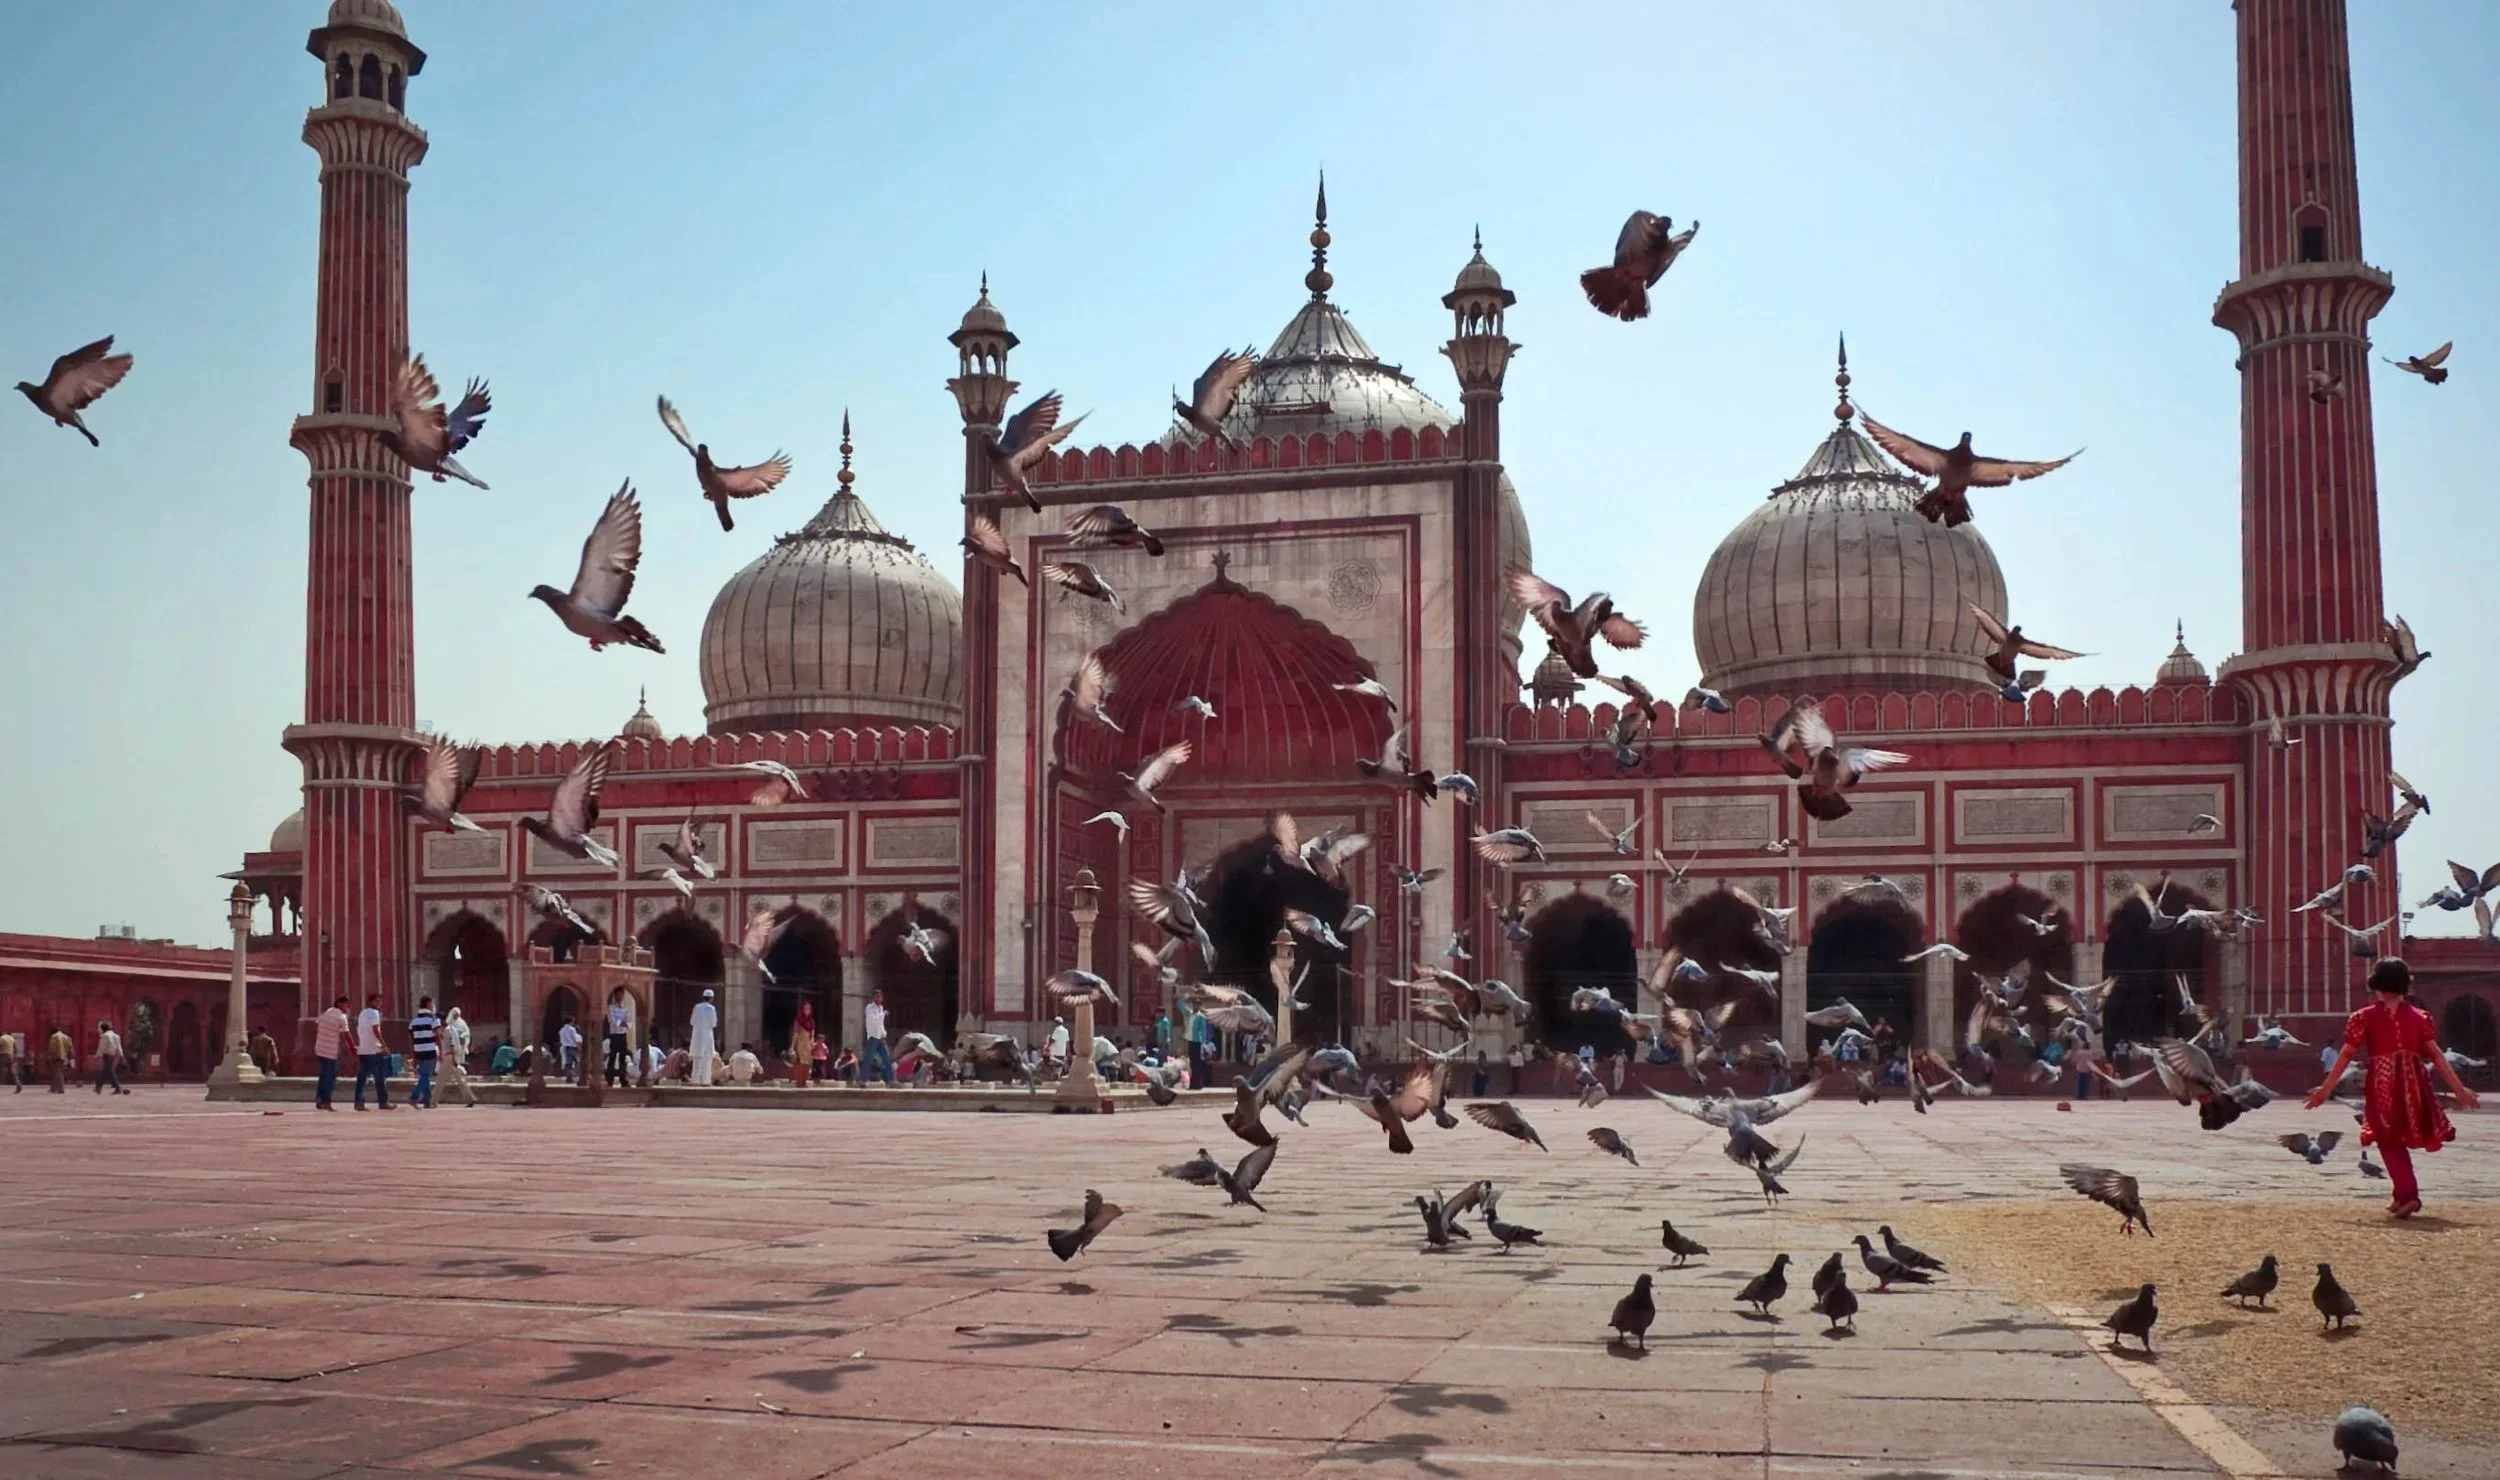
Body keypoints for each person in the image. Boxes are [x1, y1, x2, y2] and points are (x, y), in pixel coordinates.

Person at [2307, 957, 2481, 1218]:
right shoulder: (2420, 1017)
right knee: (2394, 1137)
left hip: (2384, 1082)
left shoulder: (2365, 1017)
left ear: (2376, 983)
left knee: (2387, 1137)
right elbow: (2436, 1056)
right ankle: (2401, 1195)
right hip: (2414, 1083)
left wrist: (2325, 1088)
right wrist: (2459, 1090)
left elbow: (2345, 1055)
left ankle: (2408, 1194)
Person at [353, 993, 392, 1110]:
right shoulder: (374, 1013)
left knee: (362, 1078)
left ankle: (359, 1102)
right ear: (371, 1002)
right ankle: (383, 1102)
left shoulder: (362, 1013)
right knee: (379, 1077)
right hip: (373, 1050)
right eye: (377, 1001)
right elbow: (376, 1030)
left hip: (363, 1049)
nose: (379, 1003)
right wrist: (384, 1045)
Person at [313, 995, 350, 1110]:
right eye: (346, 1005)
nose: (347, 1008)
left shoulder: (328, 1012)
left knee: (323, 1075)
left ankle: (319, 1099)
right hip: (330, 1050)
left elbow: (318, 1022)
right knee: (330, 1076)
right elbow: (347, 1035)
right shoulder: (341, 1017)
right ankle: (326, 1101)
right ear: (339, 1003)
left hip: (320, 1048)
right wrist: (353, 1048)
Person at [440, 1006, 479, 1106]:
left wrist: (463, 1038)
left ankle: (432, 1100)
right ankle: (470, 1098)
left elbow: (465, 1034)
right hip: (451, 1054)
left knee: (442, 1080)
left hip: (453, 1054)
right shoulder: (450, 1025)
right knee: (457, 1078)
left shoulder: (459, 1025)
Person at [406, 995, 440, 1109]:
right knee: (426, 1076)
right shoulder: (434, 1020)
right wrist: (441, 1052)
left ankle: (427, 1101)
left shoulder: (413, 1022)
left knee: (424, 1075)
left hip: (418, 1051)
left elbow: (412, 1039)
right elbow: (438, 1036)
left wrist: (413, 1055)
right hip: (430, 1050)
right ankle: (414, 1097)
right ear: (428, 1004)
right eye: (432, 1004)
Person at [861, 989, 895, 1086]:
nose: (879, 998)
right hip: (873, 1036)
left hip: (880, 1037)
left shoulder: (881, 1008)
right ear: (873, 998)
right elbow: (873, 1019)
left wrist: (884, 1033)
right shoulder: (869, 1008)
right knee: (868, 1058)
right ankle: (863, 1080)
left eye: (880, 997)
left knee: (887, 1058)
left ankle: (892, 1080)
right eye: (877, 996)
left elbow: (880, 1023)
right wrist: (883, 1014)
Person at [604, 988, 634, 1089]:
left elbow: (630, 1022)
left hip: (623, 1035)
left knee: (622, 1058)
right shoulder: (611, 1007)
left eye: (621, 995)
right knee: (612, 1057)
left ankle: (623, 1080)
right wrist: (621, 1022)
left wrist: (624, 1023)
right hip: (614, 1035)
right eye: (618, 995)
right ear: (614, 996)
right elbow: (611, 1020)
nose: (620, 997)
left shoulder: (625, 1009)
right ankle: (609, 1080)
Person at [689, 989, 719, 1085]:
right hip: (707, 1036)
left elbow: (692, 1021)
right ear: (711, 999)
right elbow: (714, 1023)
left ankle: (695, 1080)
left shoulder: (697, 1007)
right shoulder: (711, 1009)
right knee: (707, 1059)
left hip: (697, 1036)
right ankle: (705, 1081)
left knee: (697, 1059)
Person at [93, 1019, 128, 1095]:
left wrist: (97, 1055)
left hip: (106, 1055)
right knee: (107, 1071)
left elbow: (102, 1047)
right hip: (113, 1055)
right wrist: (122, 1056)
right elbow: (119, 1047)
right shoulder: (116, 1036)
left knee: (108, 1071)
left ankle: (117, 1088)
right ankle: (98, 1087)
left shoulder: (105, 1036)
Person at [790, 1000, 817, 1088]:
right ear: (802, 1009)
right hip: (800, 1042)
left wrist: (812, 1041)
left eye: (809, 1009)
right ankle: (799, 1082)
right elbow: (796, 1033)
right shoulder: (798, 1019)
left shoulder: (811, 1021)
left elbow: (812, 1033)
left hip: (808, 1043)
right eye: (805, 1008)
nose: (807, 1010)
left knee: (808, 1063)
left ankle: (804, 1082)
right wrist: (792, 1046)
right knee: (801, 1062)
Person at [47, 1025, 74, 1092]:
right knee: (58, 1072)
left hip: (55, 1056)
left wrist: (49, 1054)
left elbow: (52, 1047)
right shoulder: (66, 1037)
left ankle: (60, 1088)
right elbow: (70, 1047)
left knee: (57, 1073)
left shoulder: (54, 1036)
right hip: (64, 1057)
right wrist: (70, 1056)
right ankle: (53, 1088)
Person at [557, 1016, 584, 1082]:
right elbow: (575, 1039)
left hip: (565, 1048)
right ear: (571, 1021)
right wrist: (579, 1047)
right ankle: (576, 1075)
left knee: (568, 1064)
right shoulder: (572, 1029)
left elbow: (561, 1040)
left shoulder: (561, 1030)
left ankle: (569, 1078)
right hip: (572, 1047)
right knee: (577, 1062)